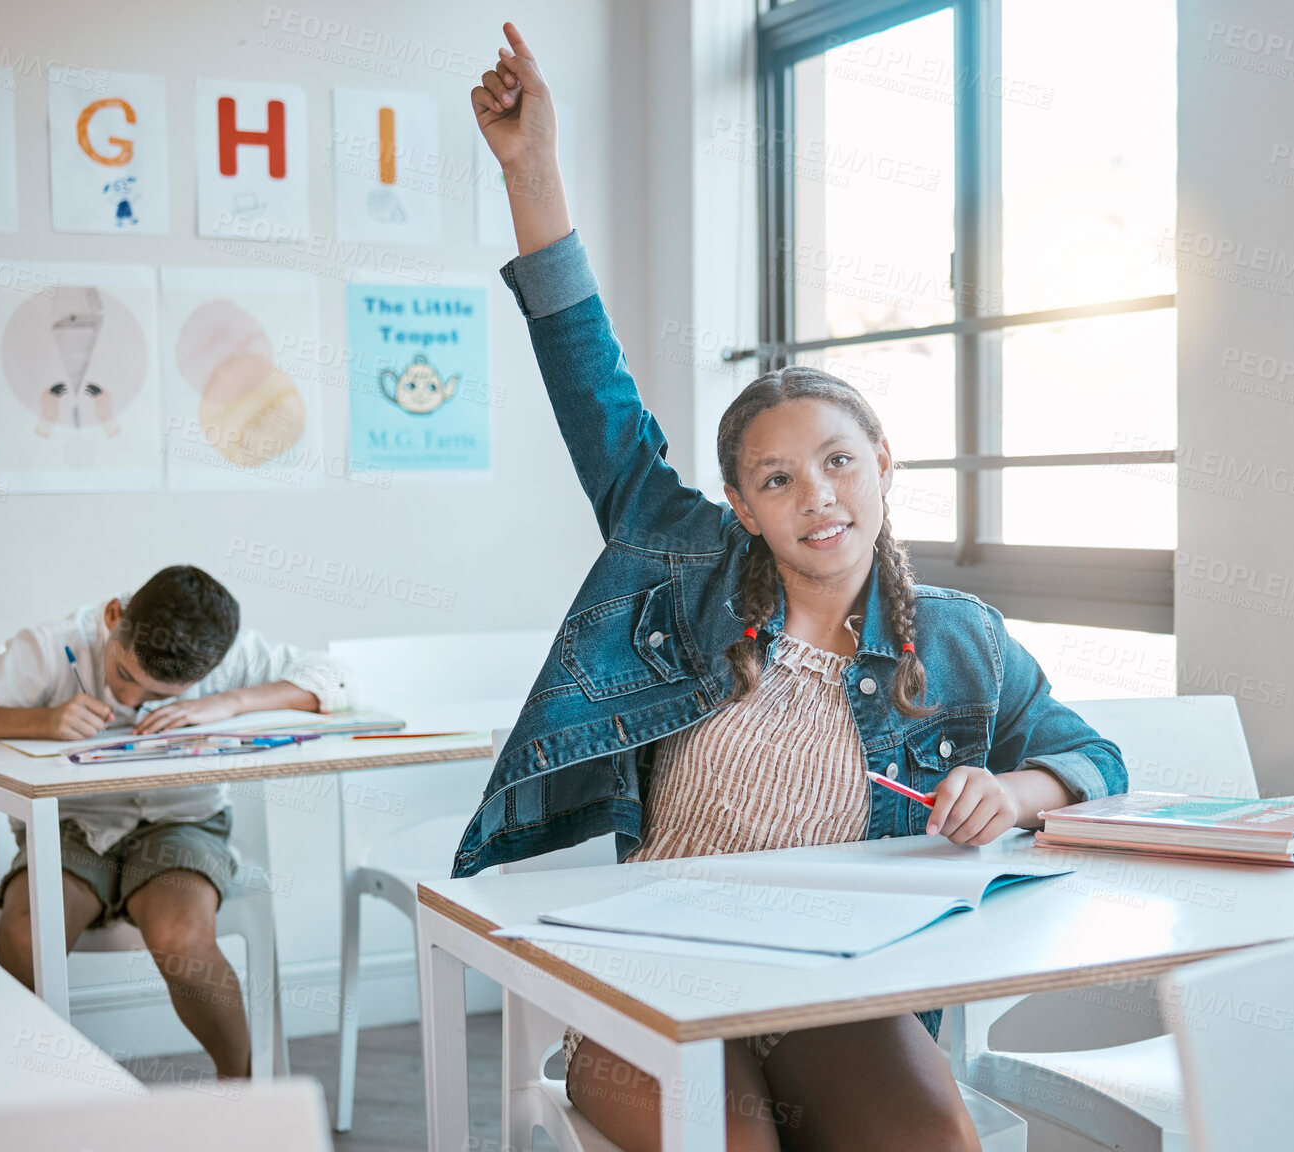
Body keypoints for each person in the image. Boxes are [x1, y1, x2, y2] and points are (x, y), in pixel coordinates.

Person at [459, 23, 1126, 1151]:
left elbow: (1094, 760)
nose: (816, 496)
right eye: (778, 478)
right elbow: (589, 378)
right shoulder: (685, 565)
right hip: (651, 971)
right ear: (742, 504)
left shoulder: (960, 642)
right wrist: (534, 171)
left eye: (837, 462)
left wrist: (1013, 797)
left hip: (831, 977)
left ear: (882, 470)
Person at [0, 564, 354, 1078]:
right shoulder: (51, 648)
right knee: (25, 935)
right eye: (125, 677)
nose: (132, 703)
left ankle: (243, 1092)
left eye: (160, 696)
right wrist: (41, 720)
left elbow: (337, 678)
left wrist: (228, 702)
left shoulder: (228, 657)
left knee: (183, 940)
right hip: (72, 829)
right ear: (115, 617)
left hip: (182, 827)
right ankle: (35, 1096)